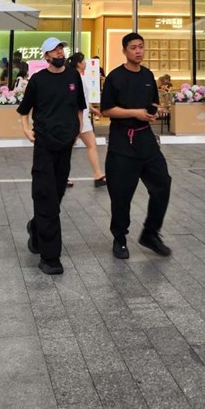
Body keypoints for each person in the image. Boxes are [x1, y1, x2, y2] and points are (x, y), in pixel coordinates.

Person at [18, 37, 86, 276]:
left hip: (66, 145)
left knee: (56, 194)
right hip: (45, 145)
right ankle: (50, 258)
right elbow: (24, 110)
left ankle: (36, 227)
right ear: (46, 56)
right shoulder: (38, 80)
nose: (59, 52)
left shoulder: (73, 76)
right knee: (46, 196)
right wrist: (26, 129)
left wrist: (78, 128)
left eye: (61, 49)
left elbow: (79, 106)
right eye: (54, 50)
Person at [101, 32, 172, 260]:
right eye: (133, 47)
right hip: (122, 141)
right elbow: (107, 110)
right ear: (124, 51)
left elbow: (151, 103)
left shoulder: (148, 75)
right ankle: (120, 238)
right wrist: (135, 113)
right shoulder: (115, 77)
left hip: (146, 139)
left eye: (141, 46)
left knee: (162, 184)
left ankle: (150, 233)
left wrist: (154, 112)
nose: (138, 51)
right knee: (121, 195)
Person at [67, 53, 106, 187]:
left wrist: (93, 110)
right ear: (79, 63)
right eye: (84, 61)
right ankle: (97, 175)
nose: (86, 63)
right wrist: (80, 121)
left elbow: (82, 99)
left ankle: (98, 174)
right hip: (79, 119)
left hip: (81, 119)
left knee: (88, 145)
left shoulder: (77, 78)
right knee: (84, 146)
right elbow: (77, 100)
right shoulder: (76, 78)